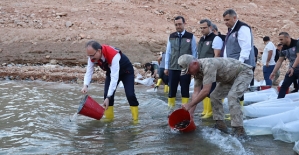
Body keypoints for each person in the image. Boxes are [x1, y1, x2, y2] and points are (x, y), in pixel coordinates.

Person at [179, 54, 253, 137]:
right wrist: (190, 114)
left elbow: (205, 91)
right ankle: (220, 124)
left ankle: (239, 129)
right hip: (228, 78)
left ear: (195, 63)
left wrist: (189, 105)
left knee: (232, 96)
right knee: (214, 96)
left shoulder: (208, 65)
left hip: (243, 73)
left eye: (188, 70)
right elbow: (196, 92)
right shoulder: (197, 72)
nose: (188, 73)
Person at [81, 40, 139, 121]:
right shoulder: (92, 57)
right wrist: (85, 85)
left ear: (99, 51)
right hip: (111, 71)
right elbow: (89, 71)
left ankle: (136, 120)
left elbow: (114, 78)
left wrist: (109, 96)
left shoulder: (113, 55)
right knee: (106, 95)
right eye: (89, 56)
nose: (91, 58)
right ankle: (109, 121)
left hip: (126, 72)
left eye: (92, 56)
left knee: (130, 95)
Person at [222, 9, 256, 106]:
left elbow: (245, 47)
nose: (225, 22)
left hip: (240, 65)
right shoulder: (231, 30)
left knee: (238, 89)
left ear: (235, 18)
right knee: (233, 88)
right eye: (224, 20)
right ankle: (235, 110)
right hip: (232, 64)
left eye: (227, 20)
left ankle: (238, 111)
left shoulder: (242, 28)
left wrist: (239, 64)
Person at [164, 16, 197, 108]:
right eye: (176, 25)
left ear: (184, 24)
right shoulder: (171, 36)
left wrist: (194, 68)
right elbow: (168, 52)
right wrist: (166, 67)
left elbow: (194, 52)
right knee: (172, 89)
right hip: (173, 67)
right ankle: (170, 109)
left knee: (185, 89)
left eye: (180, 24)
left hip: (186, 68)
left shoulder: (190, 37)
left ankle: (185, 109)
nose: (178, 26)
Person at [196, 19, 223, 118]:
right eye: (201, 28)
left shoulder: (216, 39)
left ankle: (211, 111)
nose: (202, 30)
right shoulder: (202, 39)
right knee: (204, 89)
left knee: (211, 89)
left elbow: (217, 55)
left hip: (211, 69)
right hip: (202, 68)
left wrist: (213, 69)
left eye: (204, 28)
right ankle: (205, 110)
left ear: (210, 27)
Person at [270, 32, 299, 98]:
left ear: (287, 38)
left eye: (281, 39)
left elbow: (298, 57)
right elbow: (279, 61)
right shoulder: (284, 48)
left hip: (293, 68)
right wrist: (273, 72)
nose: (280, 41)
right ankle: (279, 102)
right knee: (284, 86)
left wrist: (293, 68)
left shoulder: (297, 43)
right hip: (292, 70)